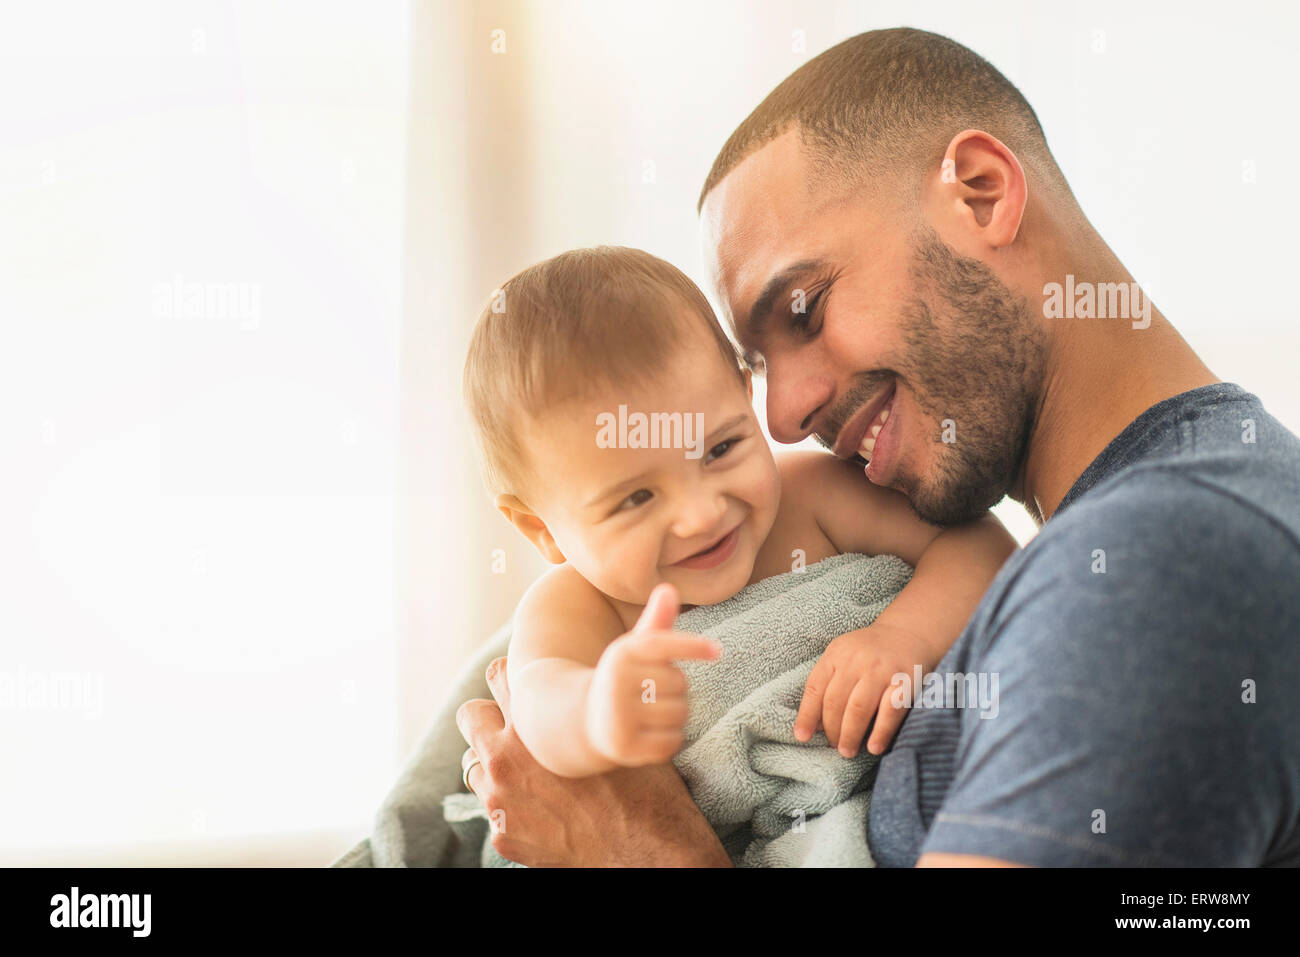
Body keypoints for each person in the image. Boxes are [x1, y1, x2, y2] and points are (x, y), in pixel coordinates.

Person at [457, 27, 1300, 866]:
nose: (782, 416)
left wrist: (643, 847)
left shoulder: (1162, 560)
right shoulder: (1174, 525)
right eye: (756, 363)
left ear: (979, 193)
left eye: (805, 309)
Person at [460, 245, 1014, 784]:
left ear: (745, 395)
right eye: (636, 499)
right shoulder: (577, 606)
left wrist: (906, 636)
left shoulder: (812, 495)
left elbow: (977, 545)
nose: (702, 515)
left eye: (720, 450)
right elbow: (536, 707)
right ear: (540, 529)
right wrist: (598, 712)